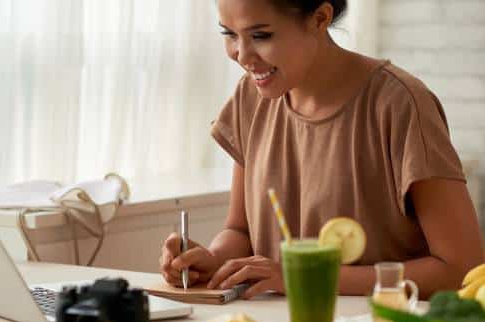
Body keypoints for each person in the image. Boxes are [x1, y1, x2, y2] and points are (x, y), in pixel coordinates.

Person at [159, 0, 483, 300]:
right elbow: (239, 230)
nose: (242, 55)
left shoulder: (400, 105)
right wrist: (212, 261)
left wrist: (308, 277)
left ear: (319, 18)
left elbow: (462, 269)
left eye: (260, 35)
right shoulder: (251, 97)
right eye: (229, 34)